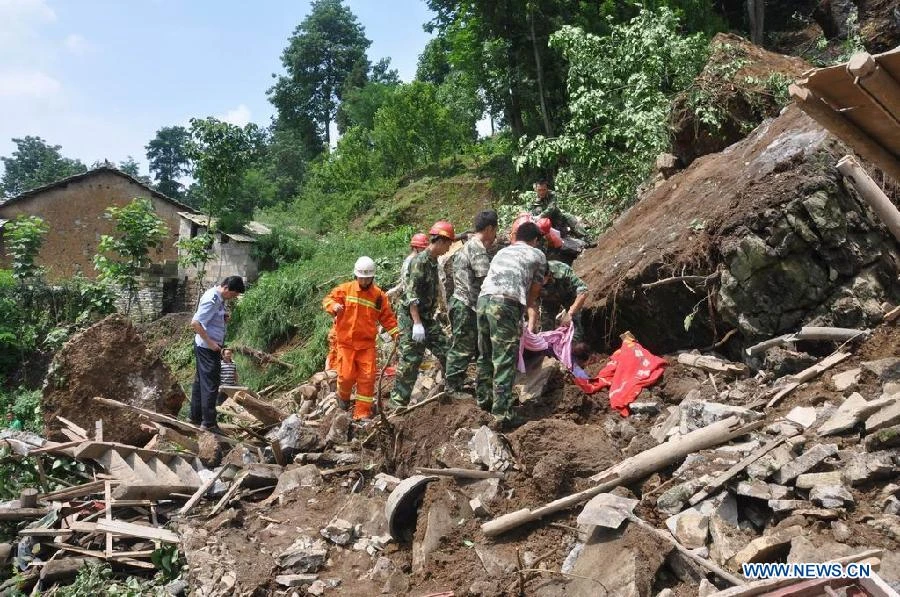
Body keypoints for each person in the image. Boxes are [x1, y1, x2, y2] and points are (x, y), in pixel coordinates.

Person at [476, 221, 547, 427]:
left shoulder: (502, 252)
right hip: (505, 303)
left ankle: (484, 401)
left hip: (483, 300)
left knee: (486, 354)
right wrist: (527, 308)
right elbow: (535, 287)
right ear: (534, 240)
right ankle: (502, 414)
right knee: (504, 357)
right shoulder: (537, 255)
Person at [323, 256, 400, 420]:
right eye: (361, 278)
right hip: (346, 343)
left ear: (372, 277)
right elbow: (328, 300)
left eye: (367, 278)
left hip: (366, 345)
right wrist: (334, 306)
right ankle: (343, 398)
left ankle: (362, 413)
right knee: (346, 376)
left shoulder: (378, 296)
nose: (364, 281)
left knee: (367, 379)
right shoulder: (345, 290)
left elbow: (387, 317)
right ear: (356, 275)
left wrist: (396, 334)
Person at [389, 221, 455, 410]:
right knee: (411, 361)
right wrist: (416, 323)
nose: (449, 247)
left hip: (426, 317)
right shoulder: (419, 262)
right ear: (440, 241)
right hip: (412, 318)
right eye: (448, 243)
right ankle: (397, 404)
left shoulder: (434, 261)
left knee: (447, 350)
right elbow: (411, 295)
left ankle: (452, 389)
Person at [445, 210, 497, 397]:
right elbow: (485, 279)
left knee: (473, 347)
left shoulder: (469, 244)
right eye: (495, 230)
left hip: (464, 303)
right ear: (490, 229)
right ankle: (452, 389)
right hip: (466, 305)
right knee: (462, 348)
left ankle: (478, 387)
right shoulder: (477, 248)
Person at [190, 275, 245, 433]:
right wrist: (211, 343)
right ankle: (209, 423)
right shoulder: (212, 299)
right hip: (208, 348)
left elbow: (210, 318)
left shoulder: (219, 298)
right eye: (233, 295)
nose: (233, 298)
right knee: (211, 384)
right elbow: (195, 323)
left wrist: (222, 317)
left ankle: (195, 416)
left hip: (206, 347)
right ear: (226, 288)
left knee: (201, 381)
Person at [539, 260, 588, 340]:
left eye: (543, 280)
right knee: (546, 328)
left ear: (549, 274)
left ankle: (574, 347)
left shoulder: (562, 270)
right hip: (548, 298)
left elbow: (583, 291)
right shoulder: (531, 276)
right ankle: (548, 348)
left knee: (575, 326)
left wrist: (570, 313)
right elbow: (532, 302)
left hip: (569, 295)